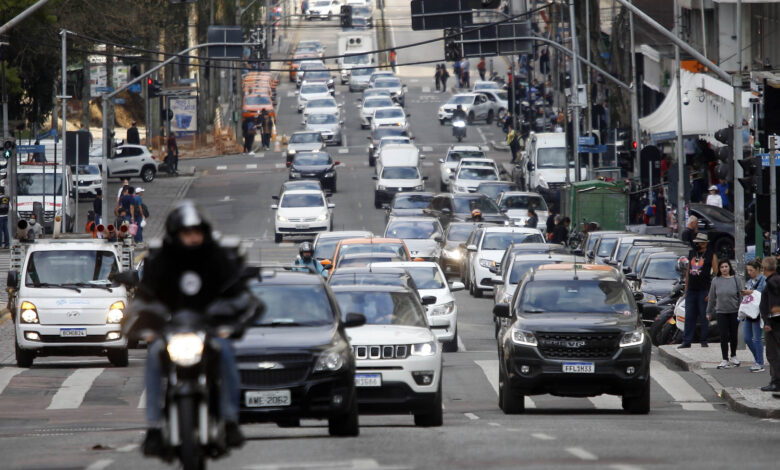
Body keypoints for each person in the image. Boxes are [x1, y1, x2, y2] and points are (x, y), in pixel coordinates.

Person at [133, 201, 250, 455]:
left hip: (209, 328)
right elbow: (146, 296)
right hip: (172, 330)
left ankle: (230, 421)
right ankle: (153, 427)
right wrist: (140, 321)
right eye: (187, 233)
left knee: (227, 353)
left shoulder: (216, 257)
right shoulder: (161, 259)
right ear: (176, 234)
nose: (193, 238)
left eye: (197, 232)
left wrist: (232, 315)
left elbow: (236, 292)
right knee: (153, 357)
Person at [679, 233, 718, 349]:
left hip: (703, 290)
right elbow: (688, 272)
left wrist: (711, 293)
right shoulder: (692, 253)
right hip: (691, 290)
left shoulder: (711, 255)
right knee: (689, 316)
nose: (697, 244)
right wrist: (686, 289)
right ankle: (686, 341)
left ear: (705, 243)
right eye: (697, 242)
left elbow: (716, 274)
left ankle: (704, 340)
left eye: (700, 242)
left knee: (703, 316)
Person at [706, 259, 742, 369]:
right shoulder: (715, 281)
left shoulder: (736, 280)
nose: (724, 269)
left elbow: (740, 296)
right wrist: (708, 312)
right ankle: (724, 358)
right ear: (719, 269)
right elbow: (711, 298)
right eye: (722, 267)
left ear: (729, 267)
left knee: (733, 334)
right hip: (721, 312)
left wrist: (741, 311)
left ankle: (733, 355)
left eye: (726, 266)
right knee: (723, 335)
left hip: (734, 311)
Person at [759, 256, 780, 391]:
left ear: (765, 268)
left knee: (773, 354)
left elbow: (774, 306)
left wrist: (769, 322)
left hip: (774, 325)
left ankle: (776, 382)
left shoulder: (772, 282)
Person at [742, 258, 767, 372]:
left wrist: (751, 292)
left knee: (757, 338)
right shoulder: (749, 282)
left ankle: (760, 362)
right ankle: (757, 358)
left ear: (757, 269)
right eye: (748, 270)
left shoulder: (763, 280)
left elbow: (763, 294)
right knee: (747, 338)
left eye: (751, 270)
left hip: (758, 312)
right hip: (749, 311)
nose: (749, 273)